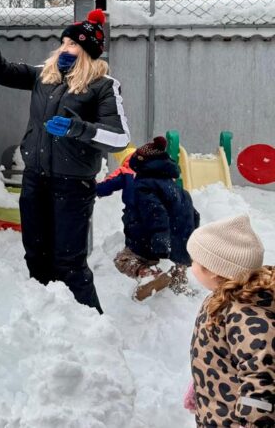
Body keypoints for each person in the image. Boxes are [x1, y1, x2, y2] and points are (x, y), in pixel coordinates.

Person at [0, 0, 129, 312]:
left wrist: (78, 128)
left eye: (72, 43)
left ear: (88, 50)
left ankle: (92, 327)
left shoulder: (103, 86)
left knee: (69, 263)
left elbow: (119, 138)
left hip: (72, 185)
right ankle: (47, 318)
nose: (64, 48)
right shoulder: (45, 76)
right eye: (63, 42)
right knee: (36, 256)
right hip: (36, 179)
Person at [183, 214, 274, 426]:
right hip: (218, 410)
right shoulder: (221, 298)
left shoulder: (248, 316)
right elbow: (222, 353)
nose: (190, 266)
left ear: (214, 271)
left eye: (194, 261)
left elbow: (261, 383)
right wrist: (202, 384)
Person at [96, 136, 199, 300]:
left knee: (123, 260)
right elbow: (194, 216)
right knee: (177, 273)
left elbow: (156, 214)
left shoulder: (143, 186)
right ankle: (182, 290)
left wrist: (161, 242)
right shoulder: (178, 189)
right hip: (181, 249)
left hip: (154, 244)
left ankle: (148, 274)